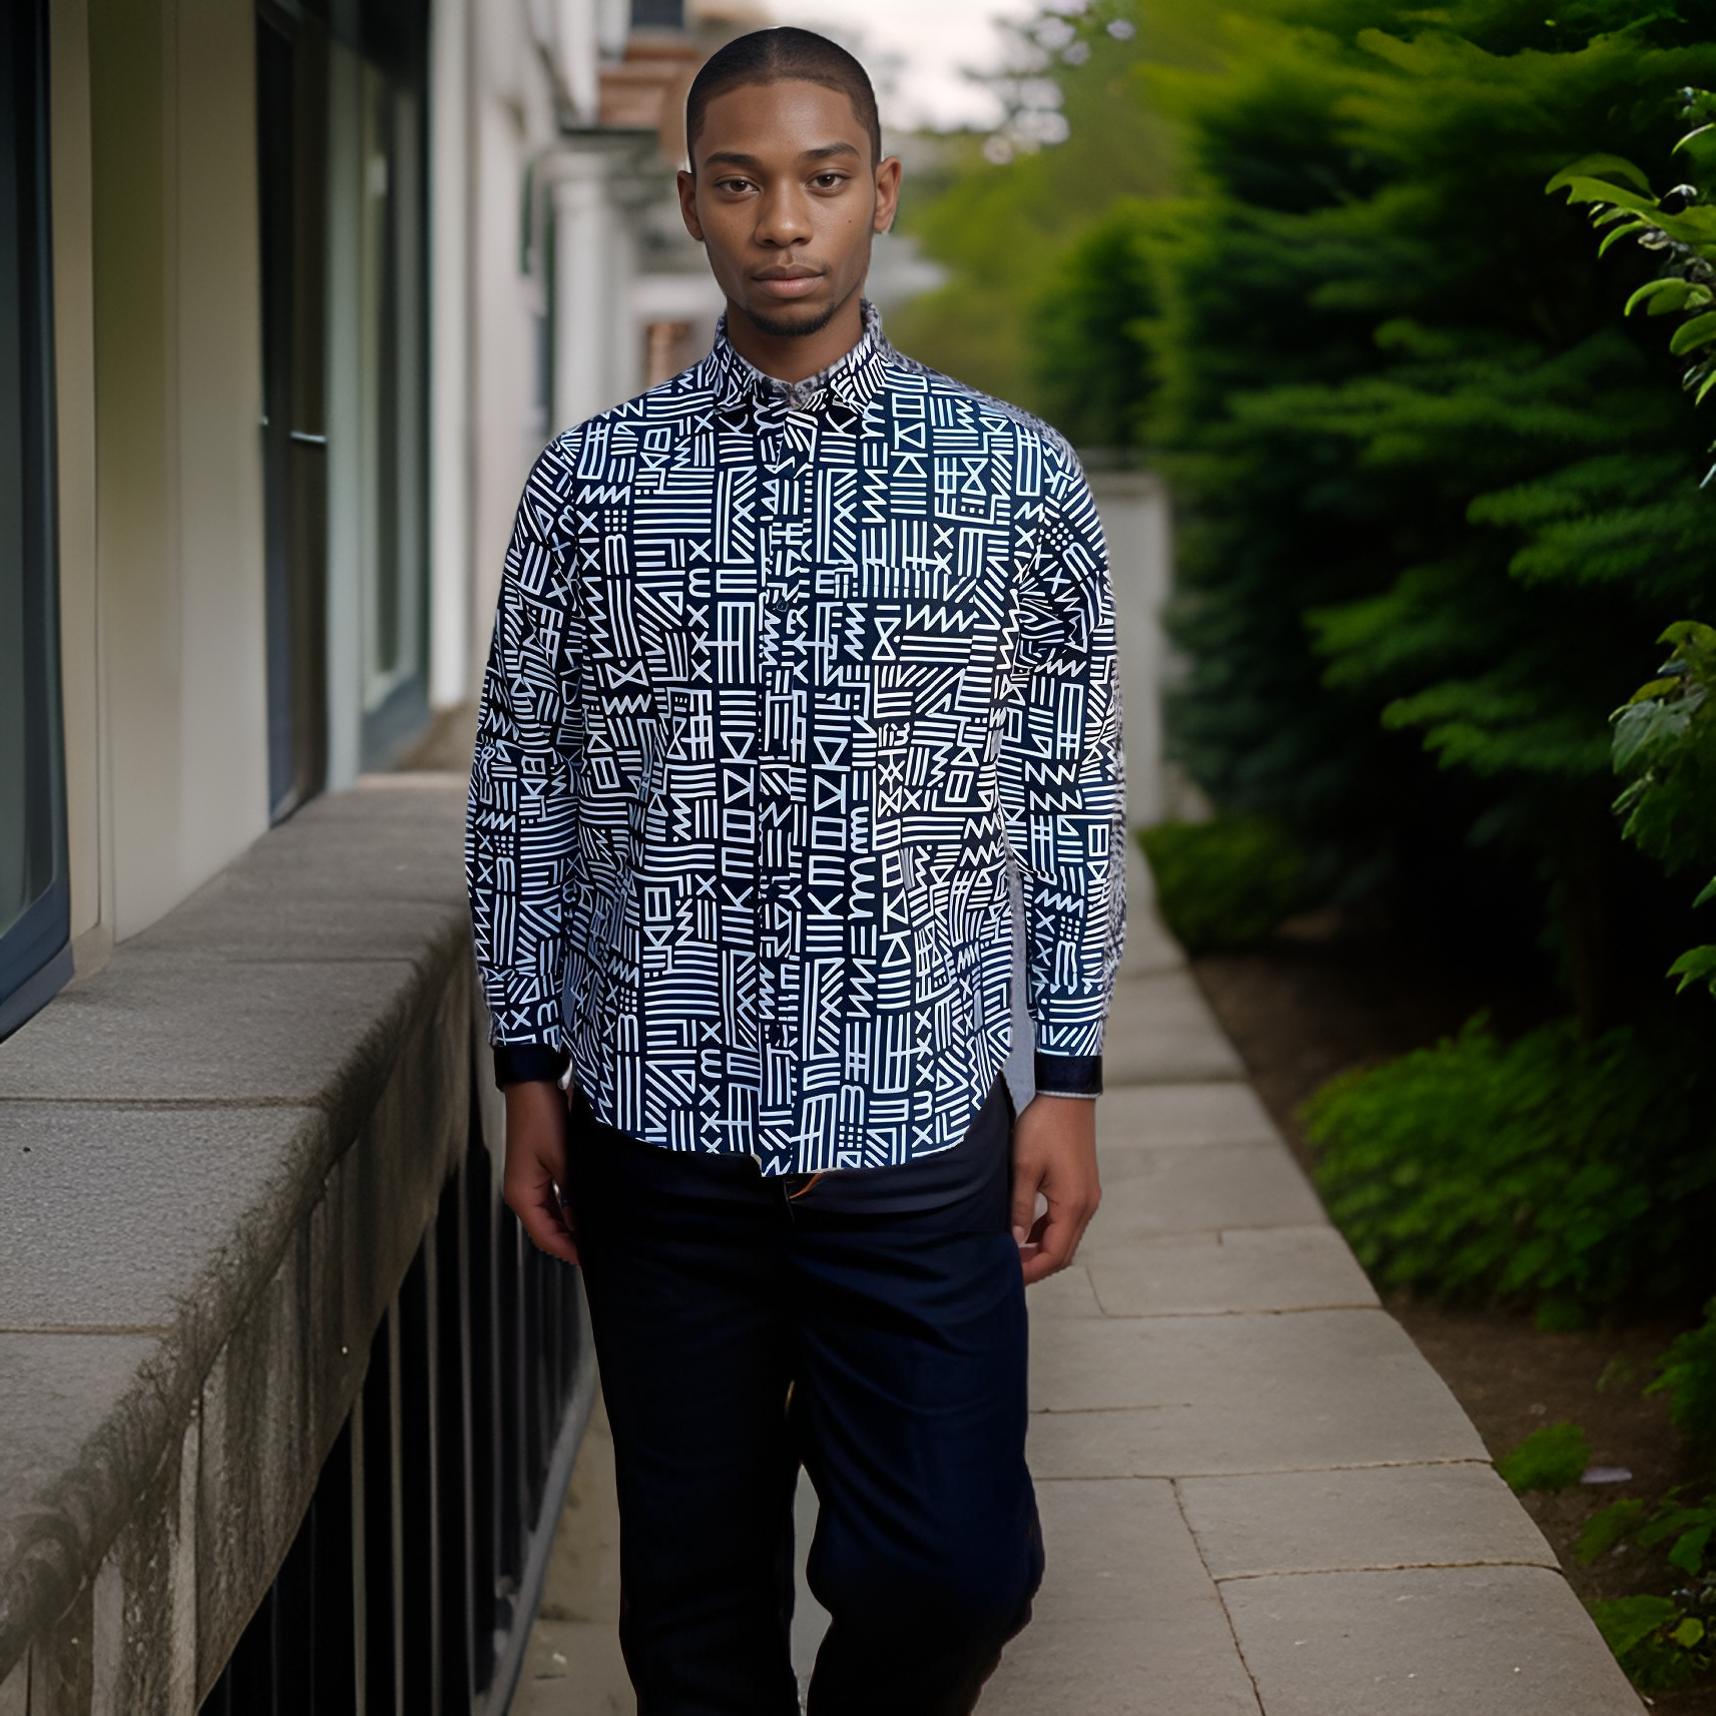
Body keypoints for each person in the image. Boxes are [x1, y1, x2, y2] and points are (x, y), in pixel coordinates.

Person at [464, 24, 1126, 1715]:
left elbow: (1066, 794)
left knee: (957, 1568)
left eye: (822, 181)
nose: (784, 221)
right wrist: (527, 1063)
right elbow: (523, 785)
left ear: (880, 192)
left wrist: (1067, 1077)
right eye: (744, 183)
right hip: (656, 1128)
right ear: (690, 200)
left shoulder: (1016, 483)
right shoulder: (592, 488)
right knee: (694, 1613)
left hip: (914, 1126)